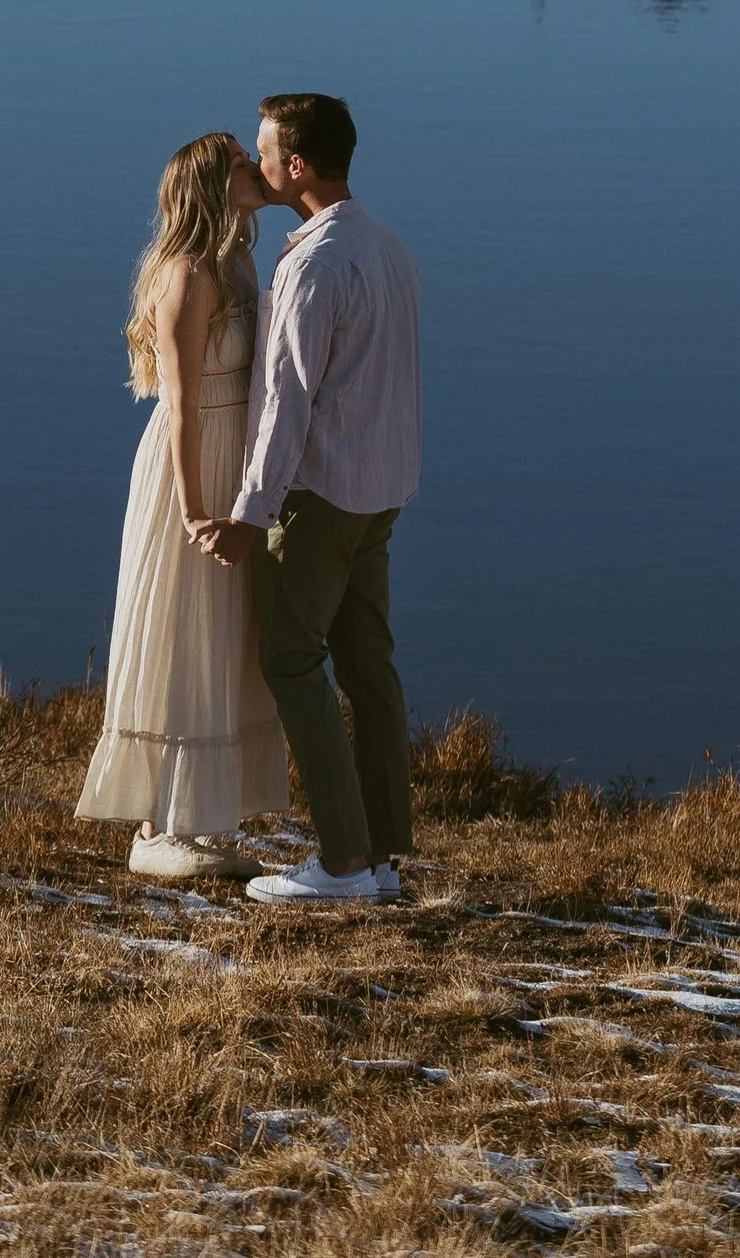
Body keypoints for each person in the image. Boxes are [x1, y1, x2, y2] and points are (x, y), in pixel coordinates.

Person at [191, 90, 421, 909]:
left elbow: (287, 400)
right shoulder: (387, 246)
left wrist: (251, 516)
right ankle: (385, 852)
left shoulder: (313, 265)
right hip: (381, 491)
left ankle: (346, 863)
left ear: (297, 167)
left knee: (291, 657)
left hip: (321, 494)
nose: (253, 166)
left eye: (264, 154)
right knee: (369, 665)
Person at [73, 129, 291, 881]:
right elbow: (181, 410)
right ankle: (154, 824)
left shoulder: (239, 259)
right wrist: (196, 511)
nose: (252, 169)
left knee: (227, 635)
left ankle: (202, 816)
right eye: (238, 161)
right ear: (209, 184)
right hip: (189, 466)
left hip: (237, 461)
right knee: (178, 624)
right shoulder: (187, 278)